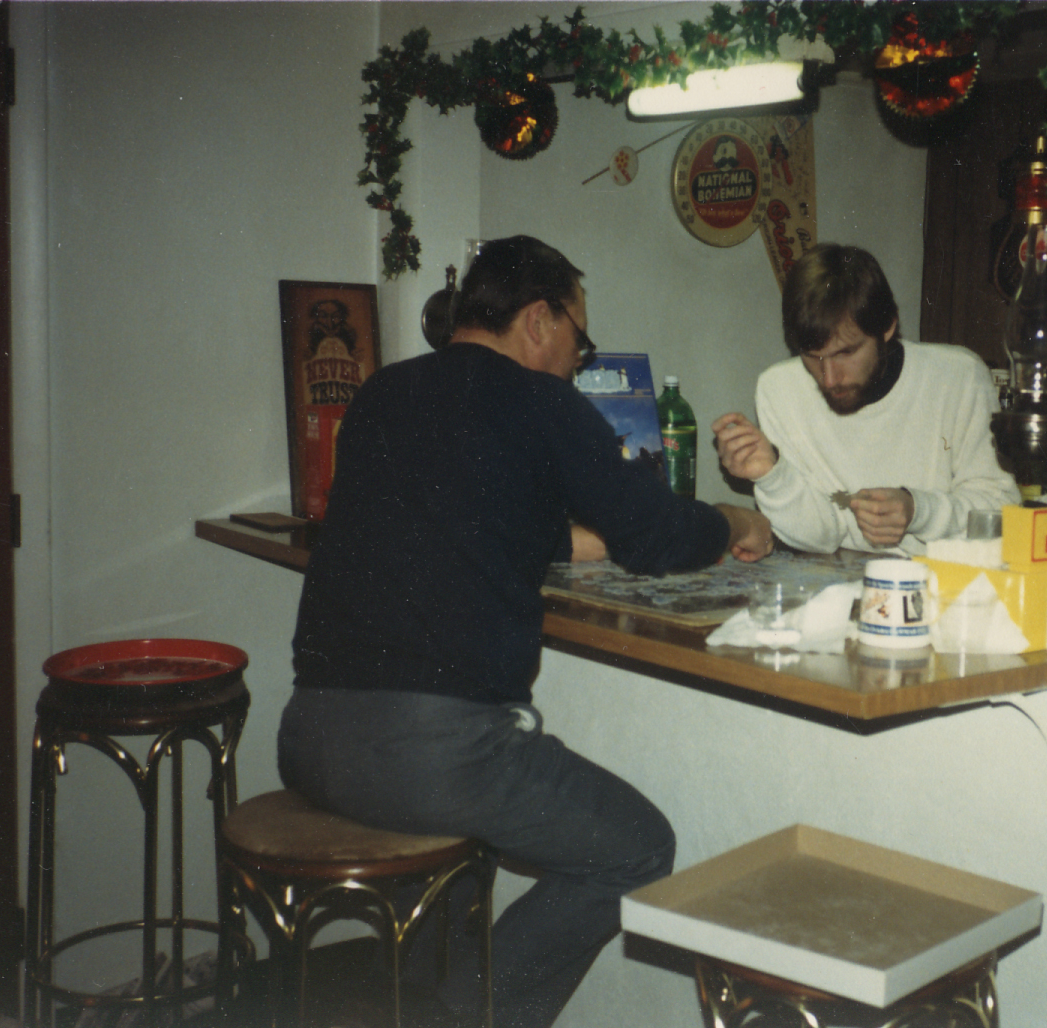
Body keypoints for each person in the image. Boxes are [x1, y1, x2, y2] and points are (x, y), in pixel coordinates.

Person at [278, 235, 774, 1028]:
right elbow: (656, 537)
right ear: (539, 318)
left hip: (309, 735)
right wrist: (738, 516)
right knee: (637, 848)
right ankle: (466, 1018)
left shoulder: (382, 392)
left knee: (462, 854)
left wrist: (588, 536)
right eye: (581, 337)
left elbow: (470, 517)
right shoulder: (543, 403)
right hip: (429, 752)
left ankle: (429, 1001)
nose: (581, 359)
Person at [714, 243, 1019, 554]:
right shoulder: (777, 388)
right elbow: (821, 537)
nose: (829, 378)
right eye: (812, 356)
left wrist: (917, 509)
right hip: (836, 585)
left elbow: (1000, 512)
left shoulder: (959, 376)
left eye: (846, 352)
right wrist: (772, 475)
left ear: (887, 327)